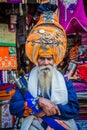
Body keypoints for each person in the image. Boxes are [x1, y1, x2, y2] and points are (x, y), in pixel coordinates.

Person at [9, 11, 79, 130]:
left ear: (55, 60)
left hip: (59, 124)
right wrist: (38, 102)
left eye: (49, 59)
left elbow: (73, 109)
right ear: (36, 59)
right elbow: (14, 108)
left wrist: (49, 110)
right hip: (34, 124)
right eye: (42, 58)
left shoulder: (65, 81)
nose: (46, 63)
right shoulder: (25, 80)